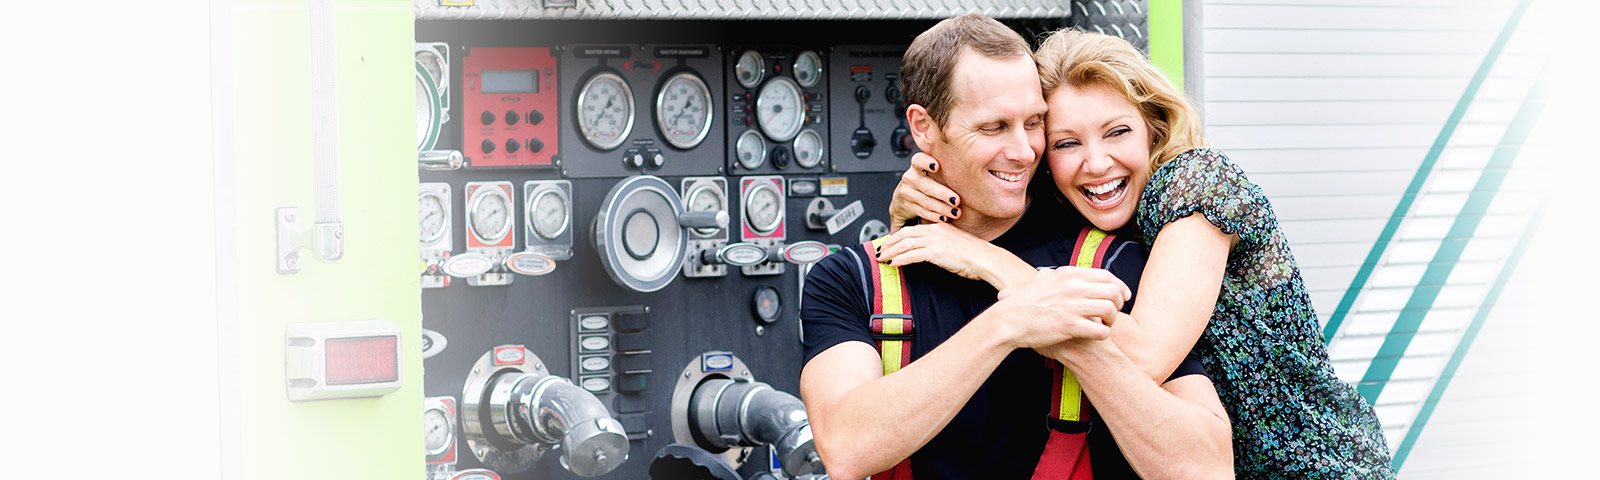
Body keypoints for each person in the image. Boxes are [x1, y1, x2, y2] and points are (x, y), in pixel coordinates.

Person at [880, 28, 1395, 478]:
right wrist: (920, 197)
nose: (1096, 162)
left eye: (1117, 132)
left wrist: (989, 261)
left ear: (1153, 124)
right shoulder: (1082, 208)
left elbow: (1146, 354)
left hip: (1314, 465)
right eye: (1066, 143)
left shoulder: (1197, 184)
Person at [799, 15, 1233, 480]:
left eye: (1034, 123)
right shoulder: (851, 279)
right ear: (924, 127)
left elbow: (1204, 469)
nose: (1025, 150)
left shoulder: (1114, 259)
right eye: (993, 127)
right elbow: (844, 449)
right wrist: (1008, 323)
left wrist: (1074, 337)